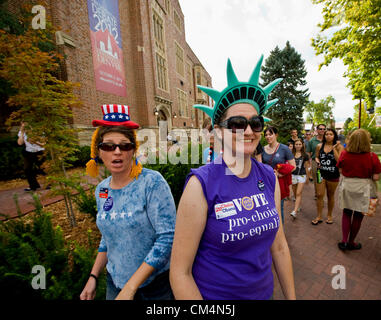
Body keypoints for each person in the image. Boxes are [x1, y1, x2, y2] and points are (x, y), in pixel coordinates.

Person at [170, 56, 296, 300]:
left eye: (255, 123)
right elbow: (179, 273)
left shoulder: (269, 177)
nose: (248, 131)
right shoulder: (201, 184)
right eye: (237, 123)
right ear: (218, 131)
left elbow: (279, 246)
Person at [80, 104, 176, 300]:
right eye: (108, 146)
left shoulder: (152, 182)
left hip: (153, 289)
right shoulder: (102, 190)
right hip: (115, 285)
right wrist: (93, 276)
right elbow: (108, 237)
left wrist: (132, 287)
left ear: (133, 150)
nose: (117, 151)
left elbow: (167, 238)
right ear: (98, 152)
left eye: (124, 145)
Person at [336, 129, 381, 250]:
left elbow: (340, 170)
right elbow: (376, 177)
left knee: (346, 212)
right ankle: (351, 242)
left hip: (348, 186)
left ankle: (344, 241)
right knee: (358, 215)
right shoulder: (372, 156)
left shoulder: (345, 154)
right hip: (364, 188)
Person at [262, 126, 296, 223]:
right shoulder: (263, 149)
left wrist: (281, 174)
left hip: (278, 183)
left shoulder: (284, 148)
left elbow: (293, 166)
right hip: (265, 183)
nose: (268, 137)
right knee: (266, 208)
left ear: (276, 135)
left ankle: (280, 233)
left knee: (278, 208)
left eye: (270, 134)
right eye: (266, 135)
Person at [312, 128, 343, 225]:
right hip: (320, 173)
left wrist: (333, 149)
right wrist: (317, 161)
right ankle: (319, 216)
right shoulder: (319, 146)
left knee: (330, 195)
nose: (328, 136)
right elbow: (316, 156)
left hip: (333, 174)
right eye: (327, 134)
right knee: (319, 194)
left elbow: (339, 161)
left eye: (331, 134)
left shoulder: (339, 147)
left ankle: (329, 215)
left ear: (334, 136)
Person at [17, 122, 46, 191]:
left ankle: (49, 183)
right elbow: (20, 143)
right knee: (27, 169)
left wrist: (35, 142)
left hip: (39, 152)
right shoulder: (22, 132)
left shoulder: (39, 131)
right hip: (28, 153)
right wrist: (21, 132)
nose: (23, 125)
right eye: (22, 124)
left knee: (43, 168)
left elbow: (44, 143)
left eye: (24, 123)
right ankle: (33, 186)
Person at [289, 139, 310, 219]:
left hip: (301, 175)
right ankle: (298, 205)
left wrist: (308, 177)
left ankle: (294, 211)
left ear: (302, 145)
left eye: (299, 144)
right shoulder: (291, 154)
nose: (298, 146)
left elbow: (307, 166)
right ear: (294, 145)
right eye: (296, 144)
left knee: (298, 193)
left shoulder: (305, 155)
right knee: (295, 193)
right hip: (293, 175)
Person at [307, 124, 326, 199]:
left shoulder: (327, 139)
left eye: (324, 129)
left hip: (326, 162)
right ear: (317, 130)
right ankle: (317, 193)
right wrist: (310, 161)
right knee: (316, 179)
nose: (322, 130)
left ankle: (322, 194)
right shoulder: (312, 140)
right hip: (315, 162)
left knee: (325, 179)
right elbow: (308, 152)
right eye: (320, 129)